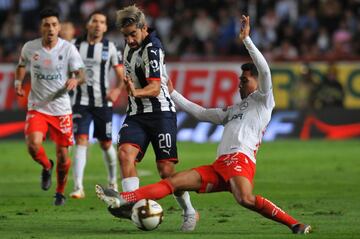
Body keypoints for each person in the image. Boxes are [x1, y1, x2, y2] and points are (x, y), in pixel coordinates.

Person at [95, 15, 312, 234]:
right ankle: (124, 199)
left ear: (257, 83)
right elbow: (201, 113)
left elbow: (264, 70)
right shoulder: (234, 110)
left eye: (244, 80)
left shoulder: (264, 101)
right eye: (239, 81)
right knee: (174, 182)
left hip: (240, 161)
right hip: (219, 166)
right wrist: (173, 94)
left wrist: (246, 40)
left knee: (245, 199)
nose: (240, 85)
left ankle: (295, 224)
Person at [108, 5, 198, 231]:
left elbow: (156, 88)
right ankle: (133, 203)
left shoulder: (153, 49)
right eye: (125, 35)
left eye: (133, 34)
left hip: (161, 114)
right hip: (137, 114)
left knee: (166, 172)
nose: (129, 40)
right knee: (125, 153)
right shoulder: (128, 49)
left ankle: (189, 210)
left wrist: (135, 92)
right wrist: (129, 91)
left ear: (143, 28)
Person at [14, 9, 85, 206]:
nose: (51, 28)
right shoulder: (30, 47)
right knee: (33, 145)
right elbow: (21, 66)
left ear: (59, 27)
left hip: (61, 110)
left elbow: (81, 74)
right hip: (37, 106)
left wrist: (75, 79)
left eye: (54, 24)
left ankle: (60, 192)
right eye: (47, 24)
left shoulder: (68, 49)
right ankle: (46, 167)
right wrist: (18, 83)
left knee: (63, 157)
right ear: (41, 28)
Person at [69, 11, 124, 199]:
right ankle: (78, 187)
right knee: (81, 140)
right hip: (80, 102)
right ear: (88, 25)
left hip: (103, 102)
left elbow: (120, 75)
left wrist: (116, 91)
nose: (98, 25)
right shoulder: (74, 45)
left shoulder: (111, 47)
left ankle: (112, 181)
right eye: (95, 21)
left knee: (106, 143)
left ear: (106, 27)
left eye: (102, 22)